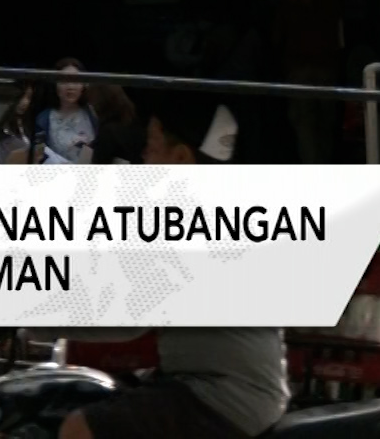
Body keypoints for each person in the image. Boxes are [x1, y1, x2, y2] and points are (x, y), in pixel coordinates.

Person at [51, 94, 291, 439]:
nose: (143, 159)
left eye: (151, 147)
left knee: (79, 429)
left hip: (222, 396)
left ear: (181, 158)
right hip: (227, 390)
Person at [35, 60, 98, 164]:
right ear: (55, 85)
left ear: (84, 85)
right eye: (64, 81)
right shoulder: (43, 119)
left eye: (76, 81)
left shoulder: (94, 113)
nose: (70, 87)